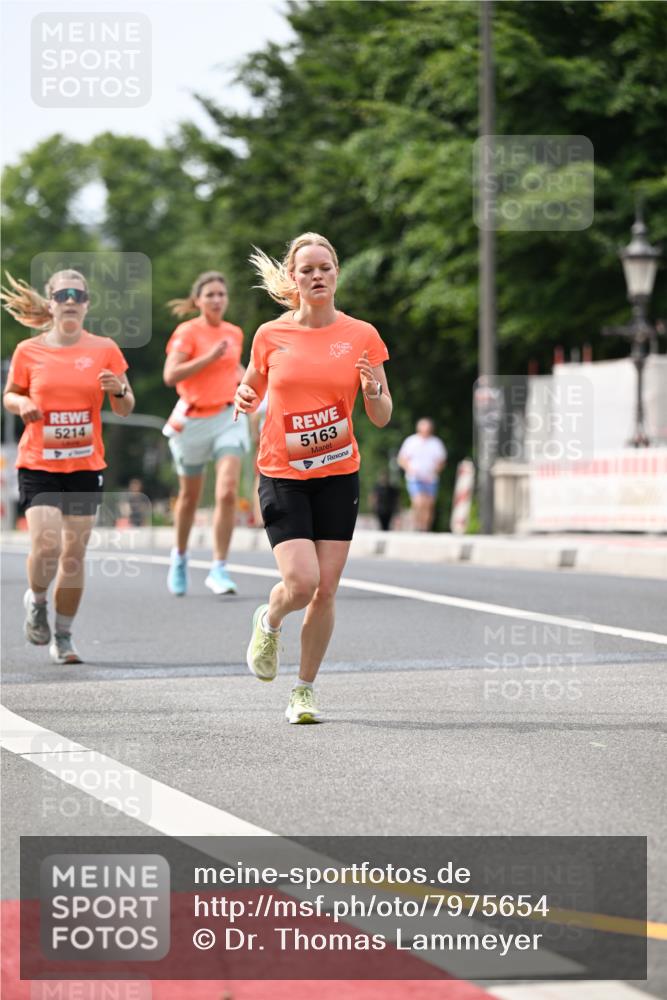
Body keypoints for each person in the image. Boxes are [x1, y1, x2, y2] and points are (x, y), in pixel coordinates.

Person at [234, 232, 392, 724]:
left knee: (326, 589)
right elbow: (252, 385)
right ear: (293, 278)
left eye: (325, 267)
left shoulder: (362, 335)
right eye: (307, 270)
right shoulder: (269, 336)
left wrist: (371, 392)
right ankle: (271, 617)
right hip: (282, 471)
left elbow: (383, 414)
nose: (317, 275)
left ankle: (303, 690)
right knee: (301, 583)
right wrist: (242, 396)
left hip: (338, 473)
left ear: (337, 273)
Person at [1, 270, 134, 663]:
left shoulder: (105, 348)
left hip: (83, 465)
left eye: (78, 293)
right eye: (63, 294)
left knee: (73, 556)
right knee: (47, 546)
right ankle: (38, 600)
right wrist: (21, 404)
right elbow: (9, 394)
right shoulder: (30, 351)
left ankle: (63, 635)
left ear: (87, 303)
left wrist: (120, 390)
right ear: (52, 302)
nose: (71, 299)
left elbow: (126, 408)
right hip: (38, 462)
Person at [162, 271, 249, 596]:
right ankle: (180, 557)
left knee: (227, 491)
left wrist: (249, 382)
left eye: (221, 294)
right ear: (197, 300)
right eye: (209, 294)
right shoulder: (188, 332)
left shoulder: (234, 333)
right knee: (189, 497)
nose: (216, 300)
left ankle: (219, 568)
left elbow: (233, 368)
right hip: (194, 420)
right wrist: (208, 357)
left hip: (229, 415)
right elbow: (171, 375)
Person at [397, 417, 447, 531]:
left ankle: (425, 528)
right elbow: (402, 459)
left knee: (428, 504)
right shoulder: (411, 441)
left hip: (430, 478)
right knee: (418, 502)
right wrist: (409, 469)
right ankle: (416, 525)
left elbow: (441, 461)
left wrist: (435, 471)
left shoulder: (436, 443)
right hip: (415, 477)